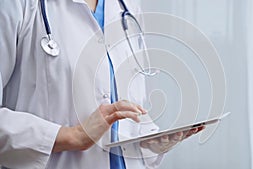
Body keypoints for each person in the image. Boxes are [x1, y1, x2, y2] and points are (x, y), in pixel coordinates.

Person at [0, 0, 204, 168]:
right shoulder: (18, 5)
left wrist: (150, 140)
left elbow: (129, 103)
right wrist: (70, 136)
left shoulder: (128, 7)